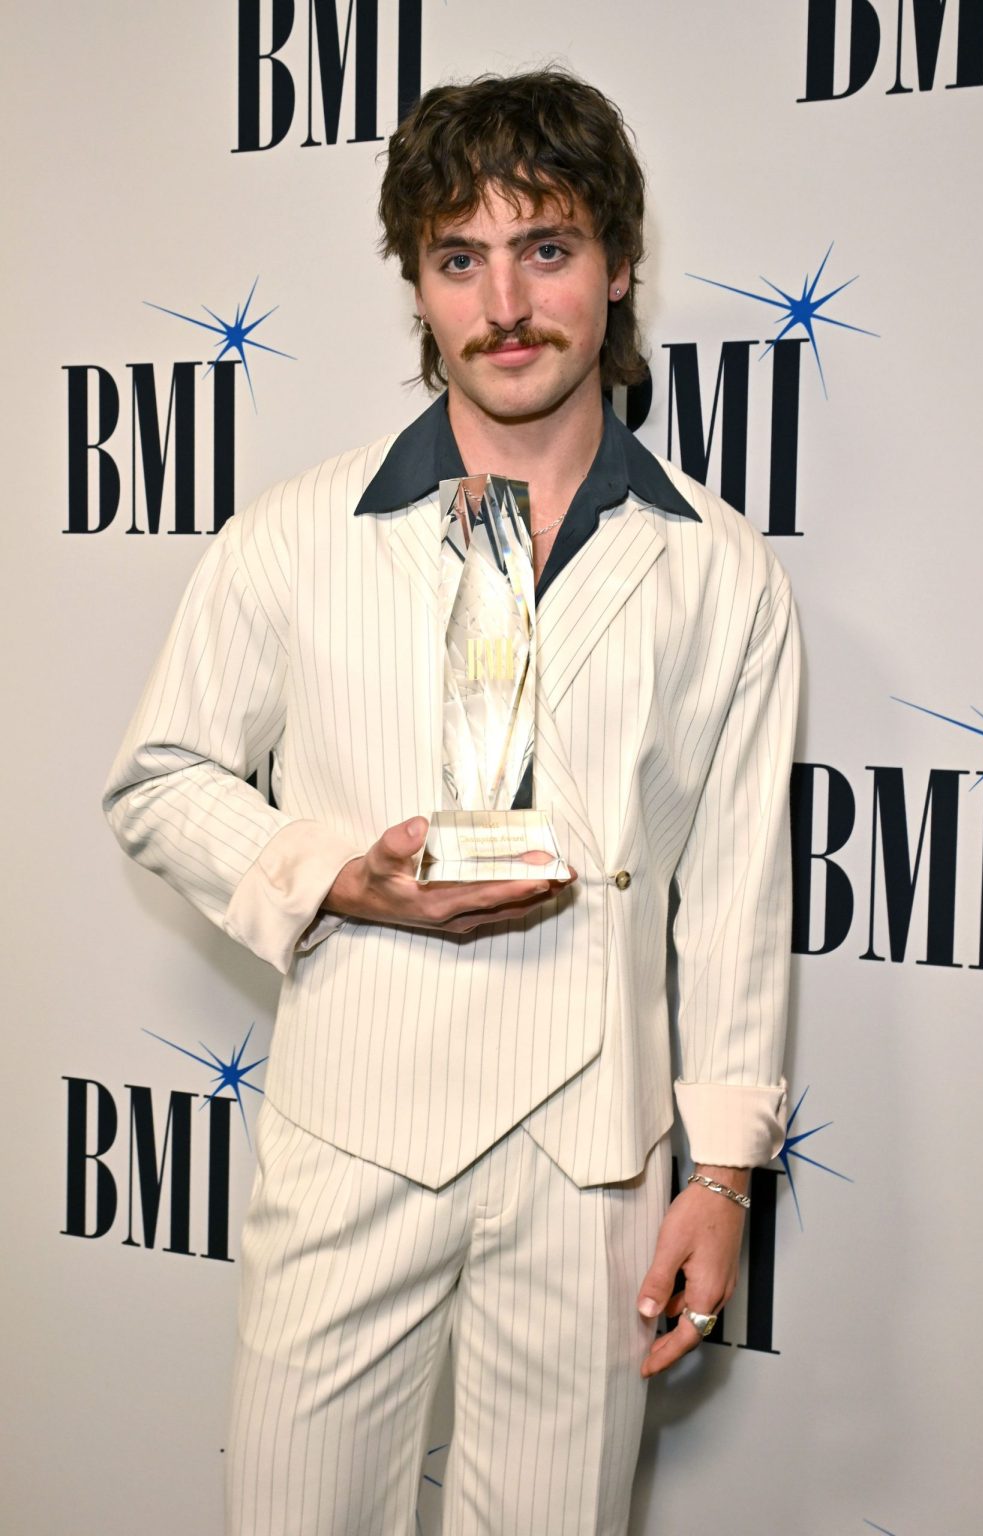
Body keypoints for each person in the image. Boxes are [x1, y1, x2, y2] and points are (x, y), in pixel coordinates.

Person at [103, 67, 799, 1536]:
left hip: (592, 1162)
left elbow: (736, 889)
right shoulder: (293, 536)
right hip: (355, 1131)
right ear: (415, 285)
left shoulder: (720, 567)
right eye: (457, 257)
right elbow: (161, 781)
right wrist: (337, 874)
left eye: (544, 248)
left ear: (617, 266)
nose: (503, 303)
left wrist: (721, 1176)